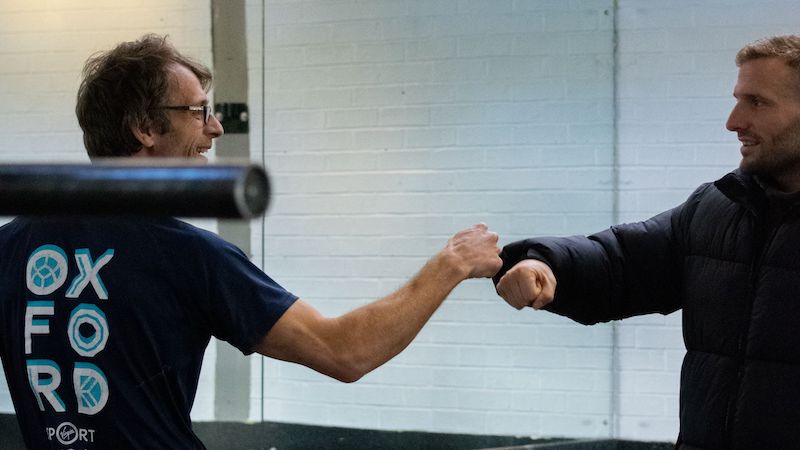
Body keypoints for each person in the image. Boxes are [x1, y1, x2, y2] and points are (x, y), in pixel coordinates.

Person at [0, 34, 503, 449]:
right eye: (198, 111)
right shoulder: (191, 255)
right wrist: (453, 263)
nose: (216, 128)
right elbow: (345, 352)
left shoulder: (10, 247)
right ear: (144, 127)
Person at [493, 34, 800, 449]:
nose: (734, 121)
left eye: (757, 103)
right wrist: (545, 264)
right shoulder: (718, 208)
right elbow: (621, 260)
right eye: (738, 100)